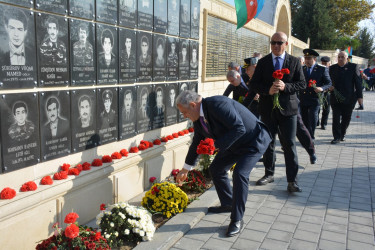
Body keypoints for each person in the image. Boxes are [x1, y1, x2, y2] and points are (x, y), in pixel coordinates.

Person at [175, 90, 271, 237]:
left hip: (253, 140)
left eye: (184, 112)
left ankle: (237, 219)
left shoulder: (217, 104)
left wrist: (215, 145)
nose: (184, 116)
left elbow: (239, 128)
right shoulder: (199, 118)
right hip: (234, 144)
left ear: (193, 105)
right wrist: (185, 169)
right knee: (216, 168)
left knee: (240, 174)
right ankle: (227, 203)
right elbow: (197, 142)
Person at [249, 31, 306, 192]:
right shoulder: (264, 62)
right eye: (273, 42)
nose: (275, 45)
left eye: (279, 43)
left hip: (288, 111)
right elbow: (254, 84)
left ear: (286, 44)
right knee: (268, 143)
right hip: (268, 110)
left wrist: (285, 87)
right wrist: (268, 90)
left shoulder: (294, 62)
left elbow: (302, 83)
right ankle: (269, 173)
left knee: (289, 144)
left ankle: (292, 181)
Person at [329, 51, 363, 144]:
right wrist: (329, 87)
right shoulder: (332, 68)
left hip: (349, 98)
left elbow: (358, 84)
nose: (340, 59)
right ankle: (336, 136)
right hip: (335, 98)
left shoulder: (353, 67)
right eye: (339, 57)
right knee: (335, 117)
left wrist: (360, 98)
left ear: (347, 58)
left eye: (342, 57)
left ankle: (342, 134)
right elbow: (328, 81)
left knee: (346, 118)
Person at [299, 49, 332, 140]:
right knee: (304, 117)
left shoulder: (322, 69)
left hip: (315, 98)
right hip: (304, 97)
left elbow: (328, 83)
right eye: (306, 58)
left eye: (309, 58)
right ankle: (306, 135)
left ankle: (311, 135)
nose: (307, 60)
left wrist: (321, 88)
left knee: (313, 116)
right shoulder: (302, 68)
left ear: (314, 59)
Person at [318, 56, 332, 130]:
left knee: (326, 108)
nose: (324, 64)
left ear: (329, 63)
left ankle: (324, 123)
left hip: (328, 92)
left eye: (325, 63)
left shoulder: (332, 71)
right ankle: (316, 121)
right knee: (317, 108)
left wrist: (331, 87)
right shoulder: (319, 69)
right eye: (322, 63)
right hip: (319, 92)